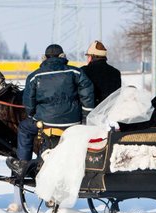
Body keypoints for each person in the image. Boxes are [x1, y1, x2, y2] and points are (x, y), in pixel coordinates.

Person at [6, 44, 94, 177]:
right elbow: (87, 92)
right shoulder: (75, 72)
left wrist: (33, 116)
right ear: (62, 57)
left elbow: (28, 102)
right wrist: (86, 115)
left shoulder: (35, 76)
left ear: (44, 58)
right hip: (73, 123)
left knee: (24, 128)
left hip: (45, 123)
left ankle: (23, 163)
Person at [81, 40, 121, 106]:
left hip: (91, 112)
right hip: (110, 111)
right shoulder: (116, 72)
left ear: (91, 57)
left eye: (88, 56)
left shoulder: (84, 71)